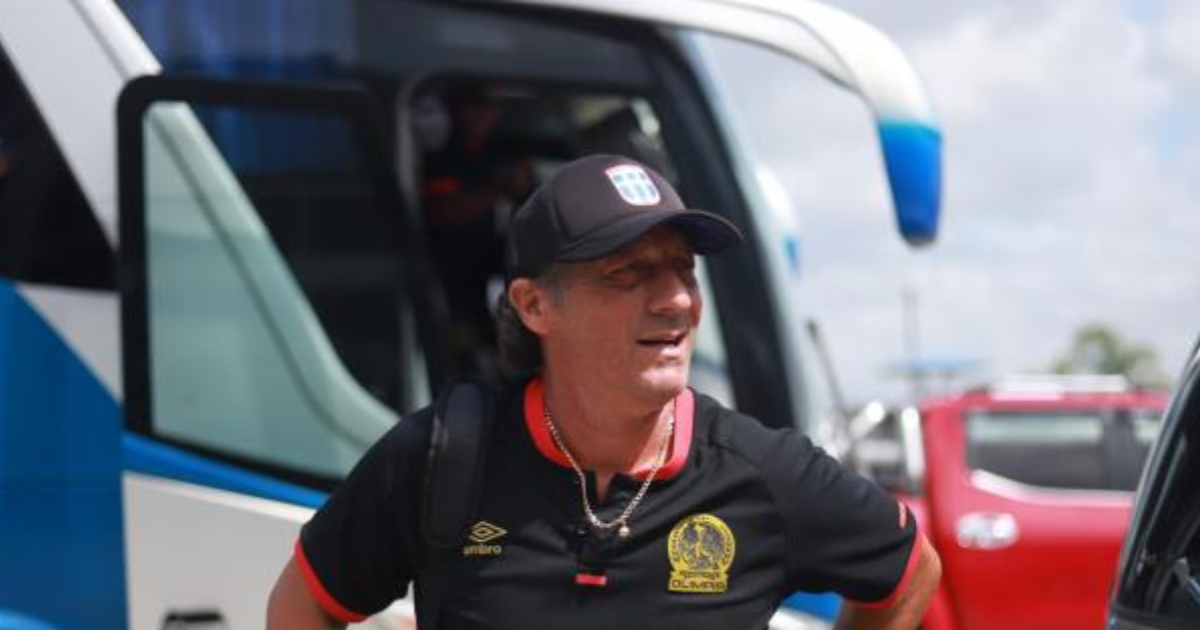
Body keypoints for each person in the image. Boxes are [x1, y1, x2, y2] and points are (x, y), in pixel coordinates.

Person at [267, 154, 940, 630]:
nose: (676, 299)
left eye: (683, 269)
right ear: (535, 305)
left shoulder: (764, 473)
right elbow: (305, 605)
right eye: (629, 273)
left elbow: (910, 570)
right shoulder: (442, 457)